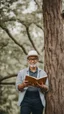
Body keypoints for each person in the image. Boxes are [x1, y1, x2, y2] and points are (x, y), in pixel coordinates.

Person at [16, 50, 49, 114]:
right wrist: (24, 85)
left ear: (37, 60)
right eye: (30, 59)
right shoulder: (21, 72)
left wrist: (42, 86)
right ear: (28, 60)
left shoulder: (43, 73)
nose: (32, 61)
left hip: (38, 99)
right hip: (26, 99)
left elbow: (47, 88)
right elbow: (18, 88)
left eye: (34, 59)